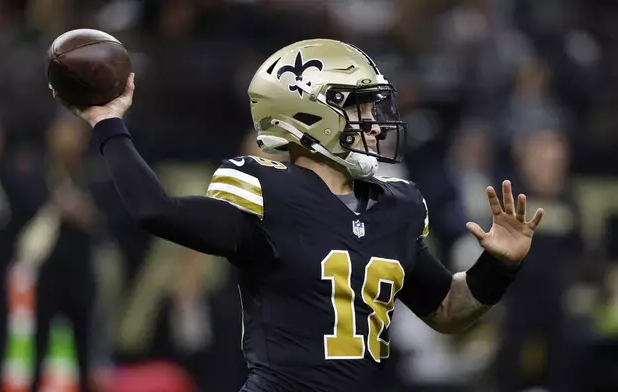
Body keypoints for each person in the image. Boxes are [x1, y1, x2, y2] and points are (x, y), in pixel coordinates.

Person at [54, 39, 544, 392]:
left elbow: (447, 312)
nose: (375, 122)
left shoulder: (396, 205)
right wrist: (108, 122)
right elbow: (155, 210)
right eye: (361, 108)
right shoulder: (267, 192)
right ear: (313, 116)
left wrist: (498, 267)